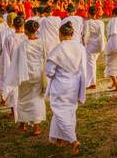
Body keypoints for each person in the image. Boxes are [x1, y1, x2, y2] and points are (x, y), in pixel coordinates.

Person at [46, 22, 86, 156]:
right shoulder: (79, 47)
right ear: (72, 34)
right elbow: (83, 66)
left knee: (60, 111)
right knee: (68, 110)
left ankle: (73, 140)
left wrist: (55, 73)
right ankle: (59, 138)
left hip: (61, 84)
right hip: (74, 84)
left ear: (60, 34)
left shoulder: (58, 48)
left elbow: (49, 71)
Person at [5, 19, 46, 136]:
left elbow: (16, 62)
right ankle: (36, 126)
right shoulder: (42, 42)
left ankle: (23, 124)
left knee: (23, 99)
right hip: (38, 74)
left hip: (25, 75)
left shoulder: (23, 45)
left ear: (26, 31)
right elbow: (45, 57)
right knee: (37, 99)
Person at [83, 5, 106, 90]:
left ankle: (92, 83)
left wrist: (84, 44)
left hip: (91, 46)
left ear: (88, 13)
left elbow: (86, 35)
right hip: (99, 45)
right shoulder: (101, 22)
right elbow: (102, 35)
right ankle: (91, 81)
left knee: (90, 64)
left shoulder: (87, 23)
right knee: (92, 64)